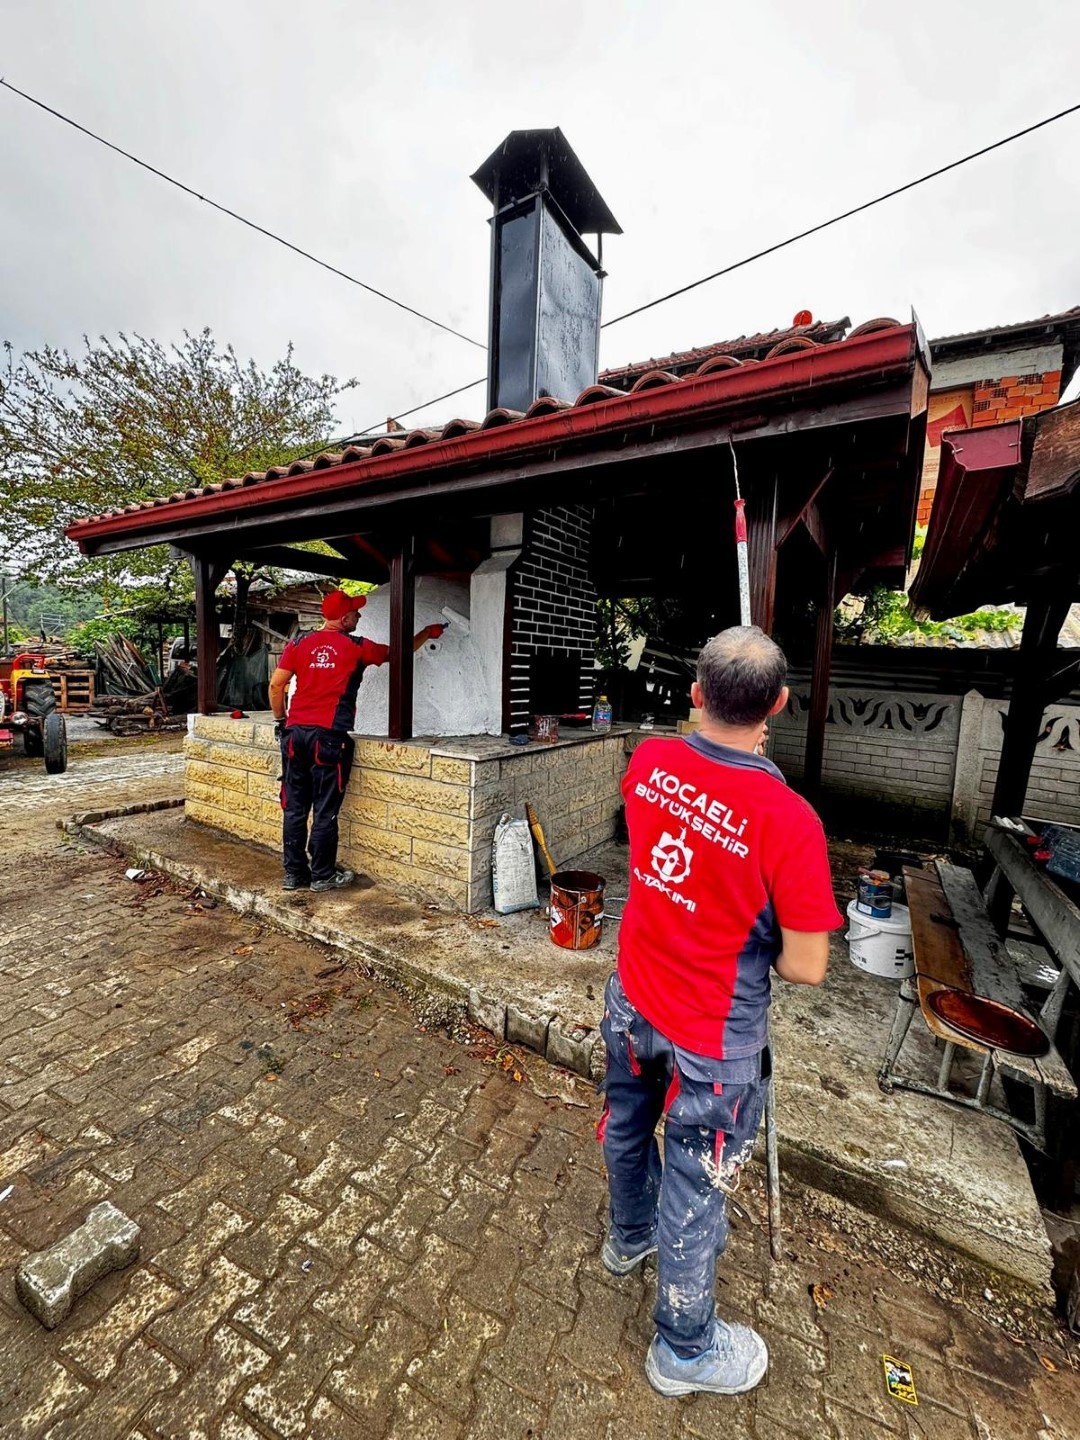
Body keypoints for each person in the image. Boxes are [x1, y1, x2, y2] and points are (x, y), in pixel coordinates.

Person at [599, 625, 842, 1397]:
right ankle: (684, 1347)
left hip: (633, 999)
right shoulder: (791, 820)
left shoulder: (648, 761)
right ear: (779, 702)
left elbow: (674, 810)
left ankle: (627, 1237)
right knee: (697, 1183)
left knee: (630, 1121)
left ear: (695, 695)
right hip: (714, 1035)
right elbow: (806, 965)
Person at [268, 590, 443, 892]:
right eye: (355, 613)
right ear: (345, 618)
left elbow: (276, 684)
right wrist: (426, 633)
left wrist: (280, 721)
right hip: (329, 738)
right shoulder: (357, 647)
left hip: (295, 735)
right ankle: (322, 875)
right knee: (325, 809)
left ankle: (294, 875)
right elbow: (399, 653)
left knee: (295, 807)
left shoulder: (297, 643)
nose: (360, 616)